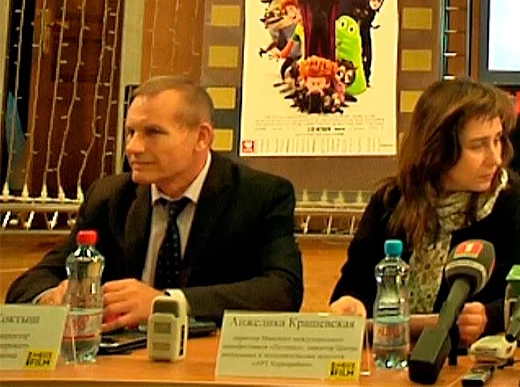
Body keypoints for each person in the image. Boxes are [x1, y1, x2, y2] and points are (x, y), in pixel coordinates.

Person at [5, 76, 303, 328]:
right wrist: (52, 297)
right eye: (131, 132)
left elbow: (282, 290)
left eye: (153, 133)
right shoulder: (109, 197)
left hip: (208, 361)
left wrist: (166, 303)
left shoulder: (260, 195)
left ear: (202, 138)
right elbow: (31, 283)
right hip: (124, 362)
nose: (133, 147)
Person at [329, 79, 520, 344]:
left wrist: (489, 317)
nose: (495, 158)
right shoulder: (392, 199)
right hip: (391, 352)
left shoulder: (510, 197)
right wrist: (350, 303)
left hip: (472, 356)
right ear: (438, 148)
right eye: (478, 146)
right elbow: (355, 282)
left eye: (497, 140)